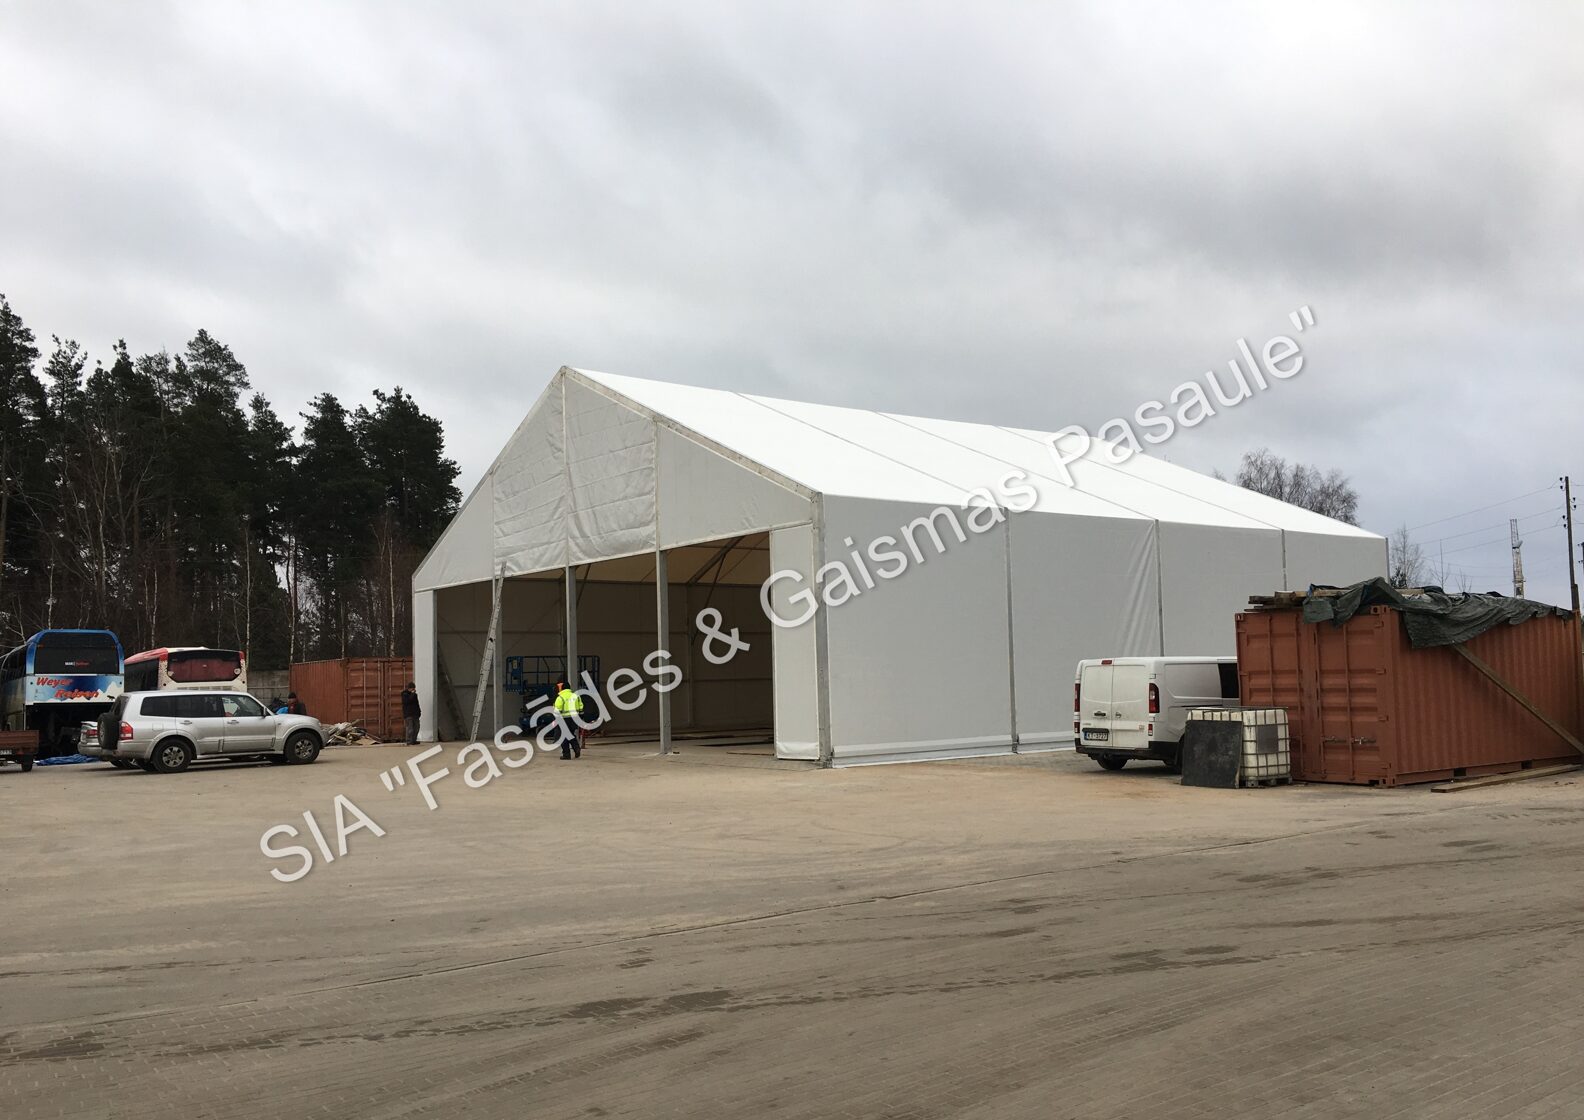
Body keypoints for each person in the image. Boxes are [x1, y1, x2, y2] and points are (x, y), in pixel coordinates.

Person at [552, 679, 584, 760]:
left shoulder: (560, 698)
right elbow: (581, 708)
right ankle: (576, 748)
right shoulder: (576, 696)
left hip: (563, 719)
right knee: (570, 734)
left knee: (563, 737)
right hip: (574, 719)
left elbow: (557, 711)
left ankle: (566, 754)